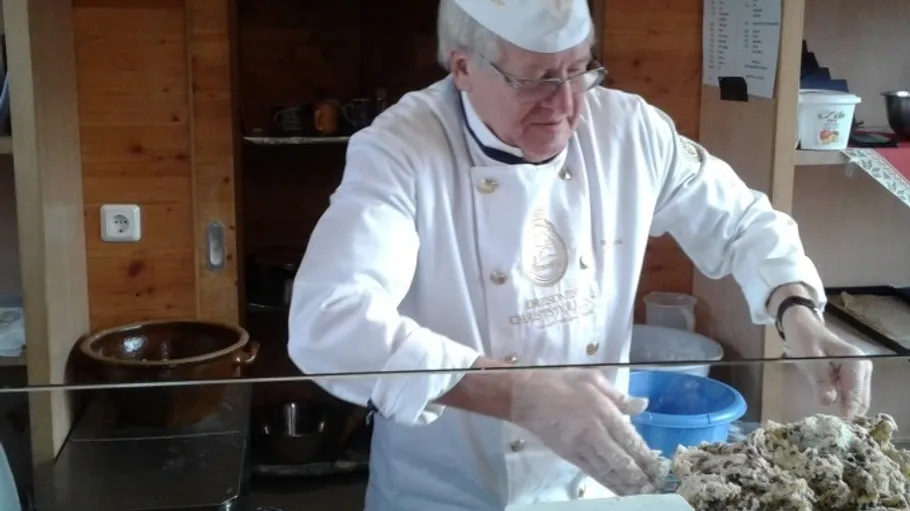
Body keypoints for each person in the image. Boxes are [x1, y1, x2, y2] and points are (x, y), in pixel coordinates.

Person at [287, 0, 873, 509]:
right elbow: (330, 320)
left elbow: (742, 222)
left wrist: (798, 314)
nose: (566, 103)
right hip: (446, 494)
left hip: (593, 490)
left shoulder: (629, 130)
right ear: (462, 67)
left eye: (578, 70)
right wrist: (517, 394)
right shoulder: (400, 151)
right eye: (535, 79)